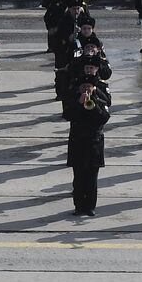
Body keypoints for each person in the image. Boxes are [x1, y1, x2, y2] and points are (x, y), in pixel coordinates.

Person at [62, 77, 109, 217]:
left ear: (94, 88)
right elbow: (67, 115)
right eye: (84, 87)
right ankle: (78, 206)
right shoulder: (73, 100)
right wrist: (78, 103)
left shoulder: (100, 101)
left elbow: (104, 117)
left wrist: (93, 107)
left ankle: (90, 206)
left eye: (89, 87)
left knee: (91, 179)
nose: (86, 89)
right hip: (77, 143)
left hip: (94, 144)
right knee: (78, 178)